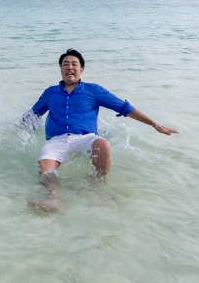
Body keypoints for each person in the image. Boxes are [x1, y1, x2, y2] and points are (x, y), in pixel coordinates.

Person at [23, 49, 178, 211]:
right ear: (61, 69)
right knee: (45, 167)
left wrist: (155, 124)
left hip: (85, 138)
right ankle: (54, 199)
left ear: (81, 70)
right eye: (65, 64)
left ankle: (98, 187)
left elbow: (124, 107)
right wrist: (16, 128)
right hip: (56, 141)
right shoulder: (50, 93)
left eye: (74, 64)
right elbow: (32, 115)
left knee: (103, 144)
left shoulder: (93, 91)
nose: (69, 67)